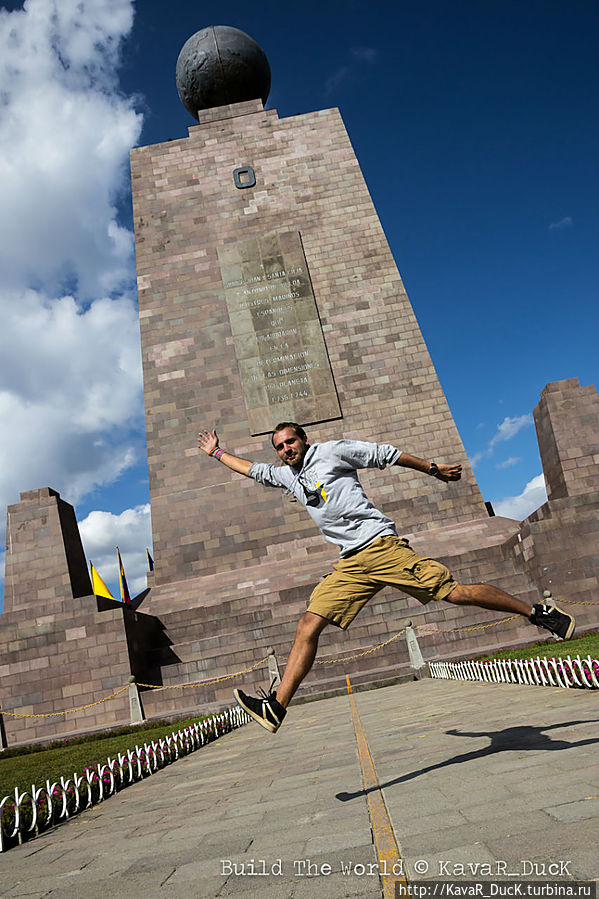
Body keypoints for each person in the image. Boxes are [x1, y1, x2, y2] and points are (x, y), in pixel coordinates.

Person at [197, 423, 575, 734]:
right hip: (351, 564)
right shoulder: (285, 476)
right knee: (308, 624)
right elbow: (251, 469)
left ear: (304, 439)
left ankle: (538, 613)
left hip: (381, 547)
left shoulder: (332, 451)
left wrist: (433, 469)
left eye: (290, 441)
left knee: (454, 593)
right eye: (279, 447)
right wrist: (217, 452)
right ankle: (277, 707)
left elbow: (385, 454)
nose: (285, 450)